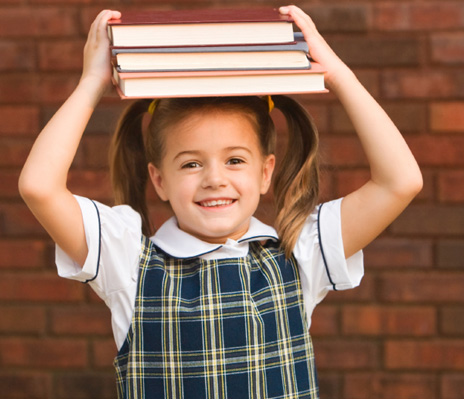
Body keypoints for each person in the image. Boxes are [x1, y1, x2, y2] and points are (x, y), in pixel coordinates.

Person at [19, 6, 422, 399]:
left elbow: (400, 182)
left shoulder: (300, 252)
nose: (215, 179)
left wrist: (336, 74)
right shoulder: (126, 262)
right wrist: (92, 83)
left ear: (265, 173)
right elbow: (40, 187)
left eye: (234, 160)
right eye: (191, 163)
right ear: (159, 179)